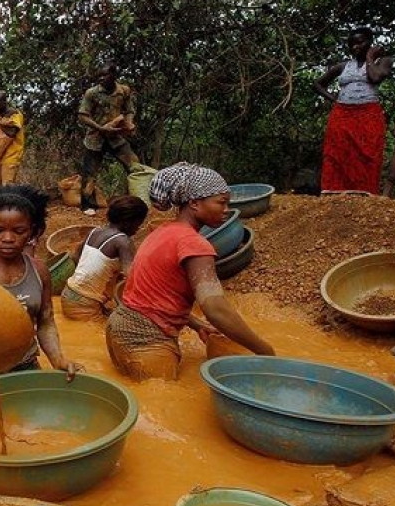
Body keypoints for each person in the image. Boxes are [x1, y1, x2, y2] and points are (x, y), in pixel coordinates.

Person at [106, 162, 275, 381]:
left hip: (118, 330)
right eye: (221, 202)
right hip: (146, 341)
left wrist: (196, 325)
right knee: (165, 407)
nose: (227, 210)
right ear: (194, 203)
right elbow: (216, 309)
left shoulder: (162, 232)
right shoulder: (194, 244)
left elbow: (155, 295)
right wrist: (265, 350)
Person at [0, 184, 83, 391]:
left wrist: (58, 359)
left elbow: (45, 322)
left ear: (33, 232)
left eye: (19, 231)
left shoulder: (39, 271)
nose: (7, 238)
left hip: (24, 366)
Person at [313, 27, 393, 195]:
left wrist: (370, 56)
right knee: (338, 152)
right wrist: (333, 99)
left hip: (369, 113)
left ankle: (364, 192)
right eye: (352, 44)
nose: (356, 47)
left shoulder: (383, 61)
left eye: (360, 42)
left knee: (368, 152)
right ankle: (335, 192)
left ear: (370, 43)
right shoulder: (343, 66)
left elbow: (376, 77)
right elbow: (318, 84)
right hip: (342, 114)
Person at [61, 196, 148, 321]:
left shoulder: (94, 231)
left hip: (68, 294)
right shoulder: (123, 241)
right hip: (84, 303)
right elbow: (132, 278)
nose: (137, 230)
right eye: (138, 225)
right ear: (128, 222)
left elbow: (75, 258)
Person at [77, 62, 141, 216]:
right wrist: (100, 128)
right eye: (99, 76)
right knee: (90, 173)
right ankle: (87, 205)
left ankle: (136, 200)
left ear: (113, 76)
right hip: (95, 138)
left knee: (134, 166)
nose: (101, 79)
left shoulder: (123, 91)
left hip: (116, 137)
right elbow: (83, 116)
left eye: (105, 75)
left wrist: (129, 122)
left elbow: (129, 110)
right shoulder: (91, 93)